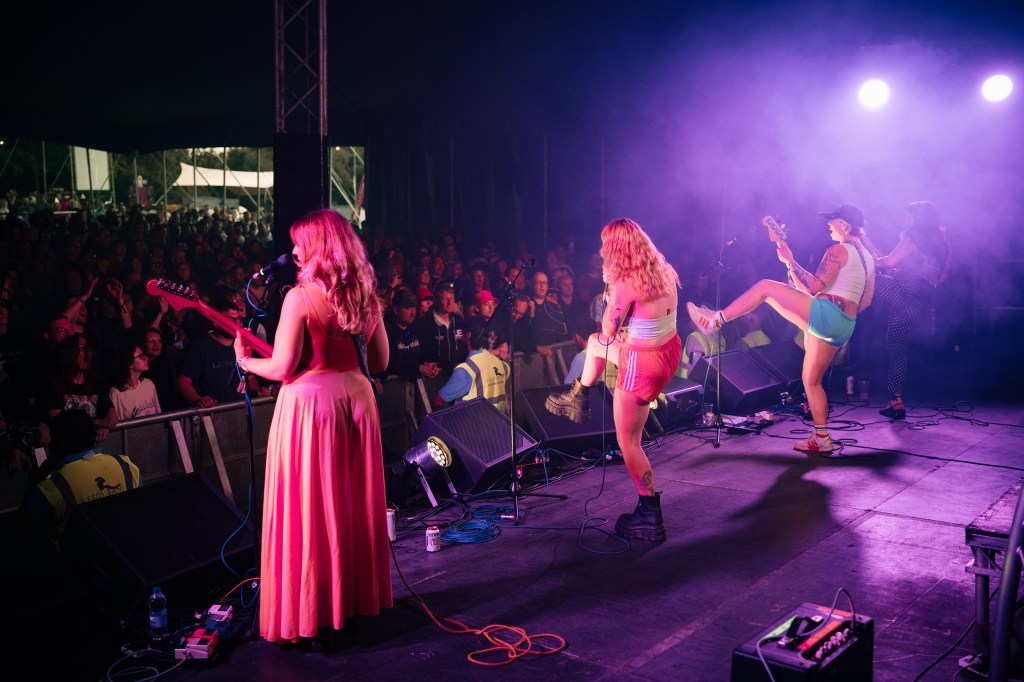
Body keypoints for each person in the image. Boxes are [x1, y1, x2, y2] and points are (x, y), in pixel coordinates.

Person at [232, 208, 392, 645]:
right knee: (349, 506)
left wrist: (246, 360)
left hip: (311, 407)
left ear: (318, 248)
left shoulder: (299, 298)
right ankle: (352, 605)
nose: (295, 251)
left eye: (300, 243)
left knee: (311, 509)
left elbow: (283, 367)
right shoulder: (365, 295)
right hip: (357, 400)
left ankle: (315, 612)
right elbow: (379, 363)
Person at [687, 204, 876, 454]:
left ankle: (715, 320)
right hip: (845, 325)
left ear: (845, 225)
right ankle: (821, 437)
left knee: (765, 287)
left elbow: (811, 287)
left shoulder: (838, 250)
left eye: (832, 221)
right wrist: (789, 263)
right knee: (811, 381)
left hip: (828, 317)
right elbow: (866, 300)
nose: (828, 225)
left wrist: (793, 262)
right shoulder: (868, 257)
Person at [545, 218, 682, 542]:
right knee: (594, 344)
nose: (602, 250)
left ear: (616, 248)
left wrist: (611, 291)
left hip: (642, 364)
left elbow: (609, 327)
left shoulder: (626, 282)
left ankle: (649, 513)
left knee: (628, 442)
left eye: (606, 245)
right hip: (666, 352)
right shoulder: (662, 270)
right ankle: (578, 394)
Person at [862, 200, 951, 420]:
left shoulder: (911, 237)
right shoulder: (943, 243)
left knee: (869, 278)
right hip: (919, 303)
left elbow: (888, 262)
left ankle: (838, 311)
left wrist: (869, 252)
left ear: (918, 219)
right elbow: (942, 276)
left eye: (909, 216)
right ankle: (896, 401)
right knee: (896, 348)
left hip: (904, 292)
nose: (905, 220)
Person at [23, 409, 140, 541]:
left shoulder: (50, 489)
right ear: (93, 436)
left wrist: (35, 479)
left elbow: (27, 528)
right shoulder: (127, 466)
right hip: (124, 547)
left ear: (57, 444)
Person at [435, 316, 511, 412]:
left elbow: (439, 400)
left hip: (473, 425)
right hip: (498, 424)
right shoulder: (503, 366)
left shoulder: (466, 370)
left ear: (468, 336)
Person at [108, 343, 161, 421]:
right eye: (140, 356)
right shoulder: (116, 393)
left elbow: (159, 416)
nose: (146, 358)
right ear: (129, 363)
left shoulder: (149, 384)